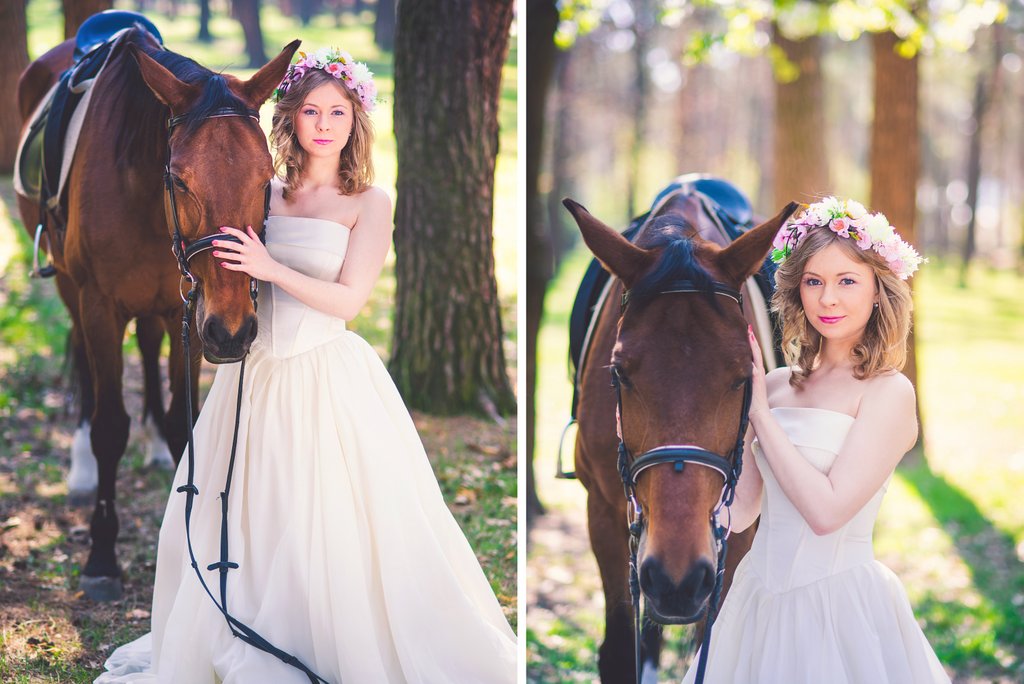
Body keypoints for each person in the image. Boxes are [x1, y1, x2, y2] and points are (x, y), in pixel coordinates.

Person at [96, 48, 516, 683]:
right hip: (253, 375)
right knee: (245, 512)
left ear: (356, 121)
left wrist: (269, 268)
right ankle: (247, 623)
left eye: (338, 112)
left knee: (330, 522)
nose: (324, 124)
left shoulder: (368, 202)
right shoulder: (263, 191)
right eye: (312, 111)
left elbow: (349, 300)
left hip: (323, 372)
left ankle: (330, 638)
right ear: (289, 118)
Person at [682, 197, 948, 683]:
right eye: (814, 282)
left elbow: (827, 514)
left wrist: (760, 415)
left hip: (836, 607)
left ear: (877, 291)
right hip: (754, 602)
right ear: (796, 290)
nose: (828, 299)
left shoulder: (889, 393)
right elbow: (739, 515)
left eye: (847, 281)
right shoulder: (780, 384)